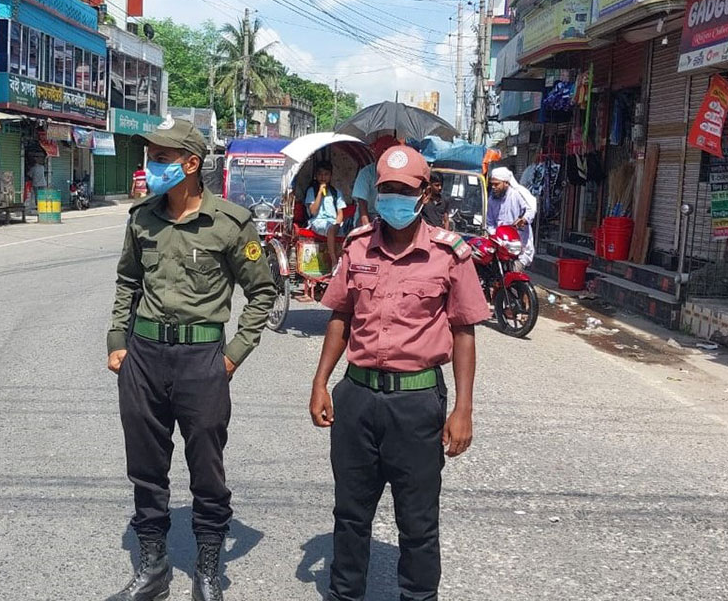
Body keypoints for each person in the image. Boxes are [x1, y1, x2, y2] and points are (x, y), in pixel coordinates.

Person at [105, 117, 276, 601]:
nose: (152, 165)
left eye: (161, 157)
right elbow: (127, 282)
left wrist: (234, 355)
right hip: (143, 356)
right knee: (145, 466)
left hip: (202, 358)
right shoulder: (141, 218)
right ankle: (154, 566)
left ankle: (207, 567)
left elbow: (262, 292)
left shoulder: (230, 222)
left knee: (206, 467)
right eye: (151, 156)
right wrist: (117, 340)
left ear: (191, 163)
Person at [309, 145, 490, 601]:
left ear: (425, 193)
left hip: (416, 403)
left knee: (417, 521)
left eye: (403, 191)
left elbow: (464, 331)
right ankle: (345, 594)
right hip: (357, 398)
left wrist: (463, 409)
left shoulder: (449, 254)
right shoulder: (357, 246)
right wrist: (320, 382)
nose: (394, 199)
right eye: (386, 190)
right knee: (350, 514)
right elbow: (340, 317)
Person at [487, 166, 537, 270]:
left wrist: (524, 219)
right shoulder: (492, 199)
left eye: (497, 184)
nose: (493, 187)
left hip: (519, 246)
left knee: (514, 273)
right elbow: (490, 222)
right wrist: (493, 234)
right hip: (500, 246)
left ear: (506, 183)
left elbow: (530, 210)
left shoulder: (517, 194)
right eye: (492, 184)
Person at [305, 162, 346, 270]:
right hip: (318, 222)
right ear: (316, 176)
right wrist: (319, 192)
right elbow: (313, 211)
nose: (323, 177)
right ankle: (334, 261)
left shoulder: (336, 192)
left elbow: (340, 213)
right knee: (331, 229)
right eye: (320, 174)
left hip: (334, 223)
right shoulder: (311, 191)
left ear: (330, 176)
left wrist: (337, 223)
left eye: (326, 174)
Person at [352, 135, 400, 226]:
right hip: (368, 214)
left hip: (389, 215)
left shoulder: (396, 174)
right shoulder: (366, 173)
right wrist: (366, 227)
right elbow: (362, 202)